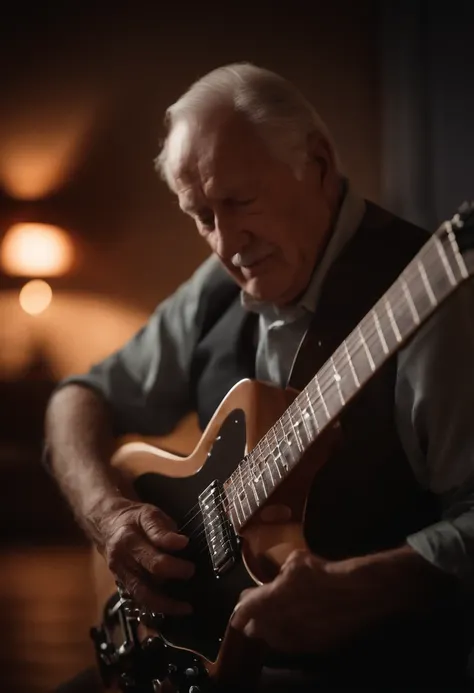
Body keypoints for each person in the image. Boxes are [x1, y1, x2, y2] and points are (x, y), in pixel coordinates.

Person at [45, 63, 474, 692]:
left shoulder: (431, 300)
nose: (225, 242)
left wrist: (368, 586)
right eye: (201, 216)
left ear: (319, 165)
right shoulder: (213, 292)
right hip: (200, 662)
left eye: (240, 201)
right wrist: (108, 515)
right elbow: (77, 400)